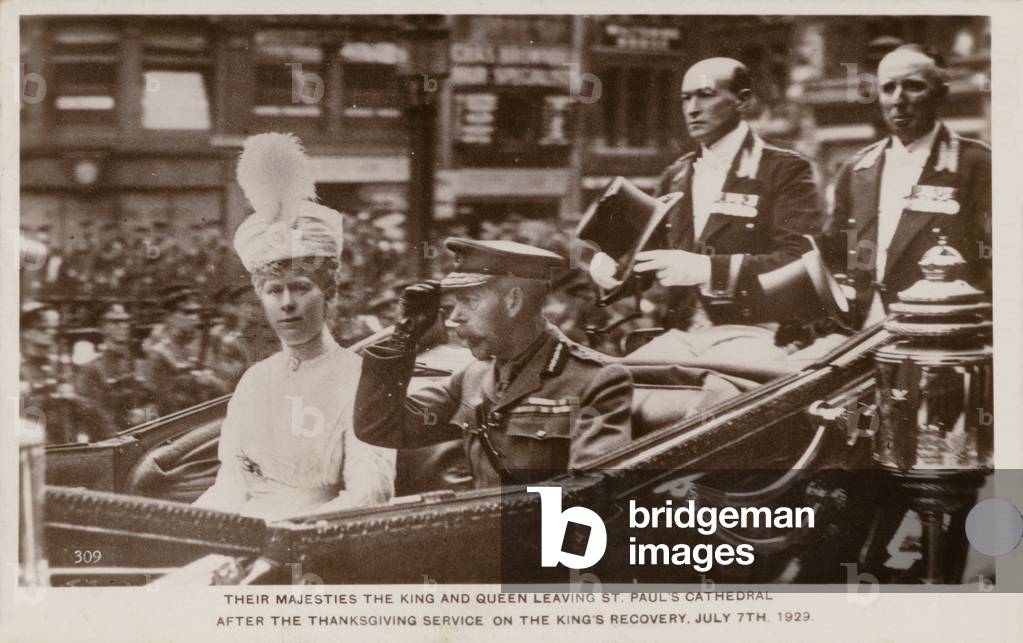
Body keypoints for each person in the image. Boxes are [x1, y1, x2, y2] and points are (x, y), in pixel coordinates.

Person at [194, 132, 394, 520]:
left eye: (301, 288)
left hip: (321, 548)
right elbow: (230, 485)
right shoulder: (255, 382)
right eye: (274, 291)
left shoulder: (363, 381)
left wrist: (283, 533)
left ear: (328, 294)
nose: (287, 303)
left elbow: (371, 493)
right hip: (244, 540)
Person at [354, 238, 634, 489]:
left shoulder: (595, 380)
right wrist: (404, 336)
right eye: (454, 304)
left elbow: (594, 491)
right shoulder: (473, 376)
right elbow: (382, 427)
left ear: (513, 301)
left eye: (469, 302)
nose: (453, 318)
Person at [588, 57, 822, 333]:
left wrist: (709, 269)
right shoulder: (674, 176)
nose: (692, 109)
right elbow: (648, 264)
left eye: (706, 95)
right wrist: (612, 272)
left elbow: (799, 261)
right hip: (680, 338)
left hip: (758, 335)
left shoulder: (784, 169)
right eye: (686, 99)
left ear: (743, 100)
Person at [819, 44, 991, 328]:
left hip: (943, 332)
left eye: (913, 86)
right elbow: (834, 252)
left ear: (940, 94)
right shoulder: (857, 168)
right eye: (888, 88)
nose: (898, 99)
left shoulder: (978, 165)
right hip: (861, 333)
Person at [141, 284, 229, 415]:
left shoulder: (199, 349)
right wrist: (194, 381)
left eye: (196, 313)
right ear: (169, 316)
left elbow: (226, 391)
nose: (195, 318)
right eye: (187, 313)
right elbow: (165, 403)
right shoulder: (159, 355)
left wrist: (213, 382)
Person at [75, 303, 156, 437]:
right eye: (115, 322)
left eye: (125, 321)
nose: (122, 326)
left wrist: (144, 414)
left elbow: (154, 404)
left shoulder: (138, 365)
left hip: (139, 440)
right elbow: (89, 416)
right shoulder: (91, 370)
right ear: (102, 327)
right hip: (107, 444)